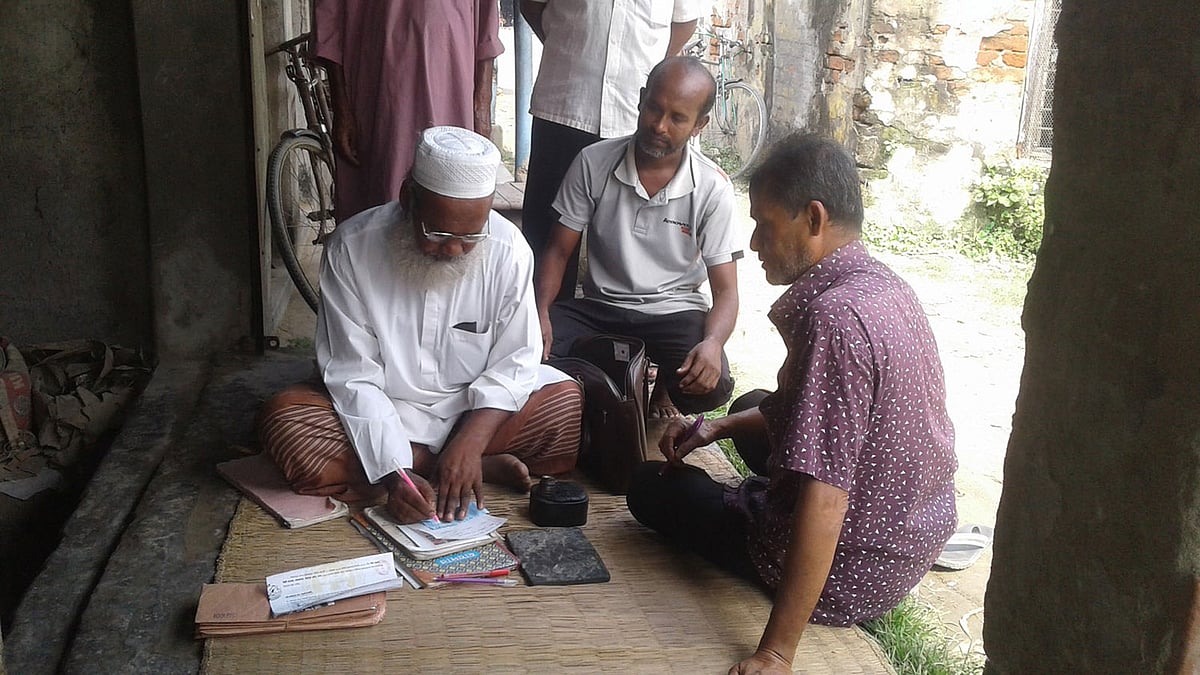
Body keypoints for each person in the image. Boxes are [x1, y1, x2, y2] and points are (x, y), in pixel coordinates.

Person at [626, 134, 958, 674]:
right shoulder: (881, 284)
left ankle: (759, 540)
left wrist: (776, 652)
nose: (755, 242)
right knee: (757, 403)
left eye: (765, 224)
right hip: (908, 534)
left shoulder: (834, 321)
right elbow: (806, 413)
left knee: (650, 486)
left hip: (853, 571)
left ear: (814, 218)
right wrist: (716, 428)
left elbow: (826, 500)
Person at [258, 126, 583, 525]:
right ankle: (452, 468)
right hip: (385, 409)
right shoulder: (351, 248)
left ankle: (458, 461)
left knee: (566, 407)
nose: (454, 250)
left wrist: (470, 441)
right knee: (287, 422)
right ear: (407, 199)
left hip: (472, 414)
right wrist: (395, 473)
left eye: (471, 236)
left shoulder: (508, 250)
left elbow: (516, 361)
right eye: (439, 233)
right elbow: (353, 375)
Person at [534, 56, 740, 419]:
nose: (659, 125)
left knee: (712, 383)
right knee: (532, 349)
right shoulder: (592, 162)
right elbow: (557, 251)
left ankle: (657, 385)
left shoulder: (712, 188)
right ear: (642, 99)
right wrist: (539, 314)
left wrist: (712, 343)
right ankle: (610, 379)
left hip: (674, 312)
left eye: (677, 118)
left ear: (699, 125)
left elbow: (726, 291)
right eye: (654, 108)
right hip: (601, 308)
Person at [519, 0, 701, 301]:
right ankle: (541, 320)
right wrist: (570, 46)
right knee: (547, 232)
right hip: (565, 103)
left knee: (629, 238)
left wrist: (651, 72)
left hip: (634, 114)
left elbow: (684, 21)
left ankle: (619, 317)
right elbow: (531, 5)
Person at [312, 1, 503, 223]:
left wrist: (483, 100)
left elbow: (487, 23)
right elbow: (329, 20)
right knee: (383, 202)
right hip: (380, 90)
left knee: (452, 199)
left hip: (451, 82)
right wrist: (341, 108)